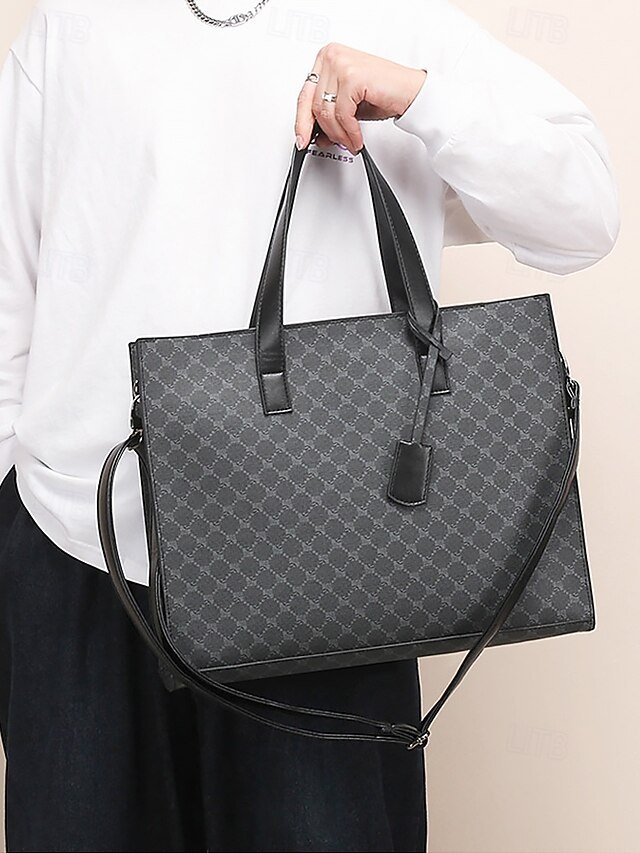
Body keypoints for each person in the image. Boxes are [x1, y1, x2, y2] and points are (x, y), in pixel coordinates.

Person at [0, 1, 619, 851]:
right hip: (81, 546)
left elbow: (585, 214)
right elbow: (12, 285)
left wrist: (422, 99)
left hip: (327, 565)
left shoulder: (399, 20)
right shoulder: (72, 25)